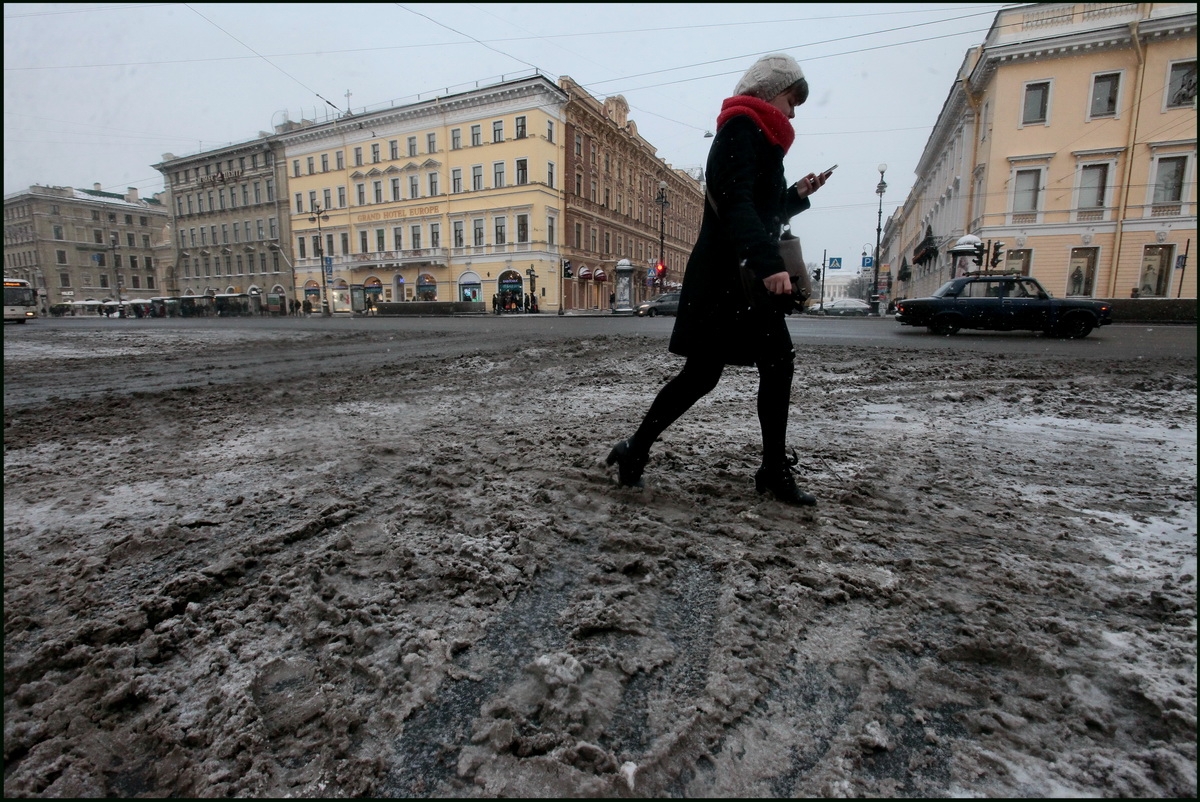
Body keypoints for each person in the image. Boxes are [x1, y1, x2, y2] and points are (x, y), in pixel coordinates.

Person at [606, 53, 828, 506]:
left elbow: (761, 209)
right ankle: (637, 450)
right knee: (706, 375)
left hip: (739, 278)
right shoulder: (741, 128)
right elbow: (736, 205)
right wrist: (770, 264)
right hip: (730, 280)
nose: (793, 111)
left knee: (764, 365)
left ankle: (769, 468)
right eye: (791, 99)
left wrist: (797, 195)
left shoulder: (758, 136)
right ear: (770, 92)